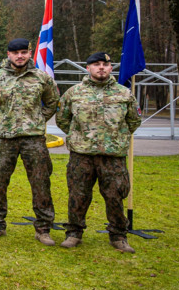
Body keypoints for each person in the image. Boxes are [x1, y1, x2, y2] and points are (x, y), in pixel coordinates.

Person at [55, 52, 141, 253]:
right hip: (81, 155)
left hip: (112, 156)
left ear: (111, 68)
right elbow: (63, 119)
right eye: (96, 64)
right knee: (78, 194)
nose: (101, 68)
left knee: (115, 195)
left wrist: (116, 139)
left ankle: (118, 235)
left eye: (105, 64)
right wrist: (79, 137)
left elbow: (133, 121)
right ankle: (74, 233)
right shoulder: (74, 93)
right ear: (88, 68)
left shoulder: (124, 94)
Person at [0, 37, 60, 245]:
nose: (19, 56)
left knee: (41, 183)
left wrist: (38, 118)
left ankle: (43, 228)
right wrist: (1, 120)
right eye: (15, 53)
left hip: (33, 139)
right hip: (4, 139)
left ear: (29, 53)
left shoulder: (42, 78)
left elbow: (53, 102)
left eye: (23, 52)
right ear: (8, 54)